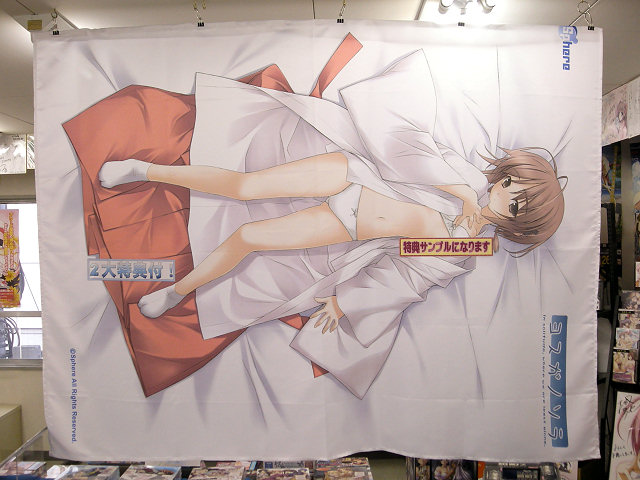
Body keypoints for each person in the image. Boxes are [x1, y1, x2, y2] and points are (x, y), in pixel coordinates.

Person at [99, 144, 565, 330]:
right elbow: (409, 152)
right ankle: (143, 170)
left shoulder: (468, 248)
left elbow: (407, 271)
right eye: (510, 182)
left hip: (350, 224)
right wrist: (462, 191)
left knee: (249, 236)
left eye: (517, 203)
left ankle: (176, 292)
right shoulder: (468, 175)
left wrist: (348, 301)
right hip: (352, 175)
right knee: (244, 186)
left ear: (519, 224)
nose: (504, 193)